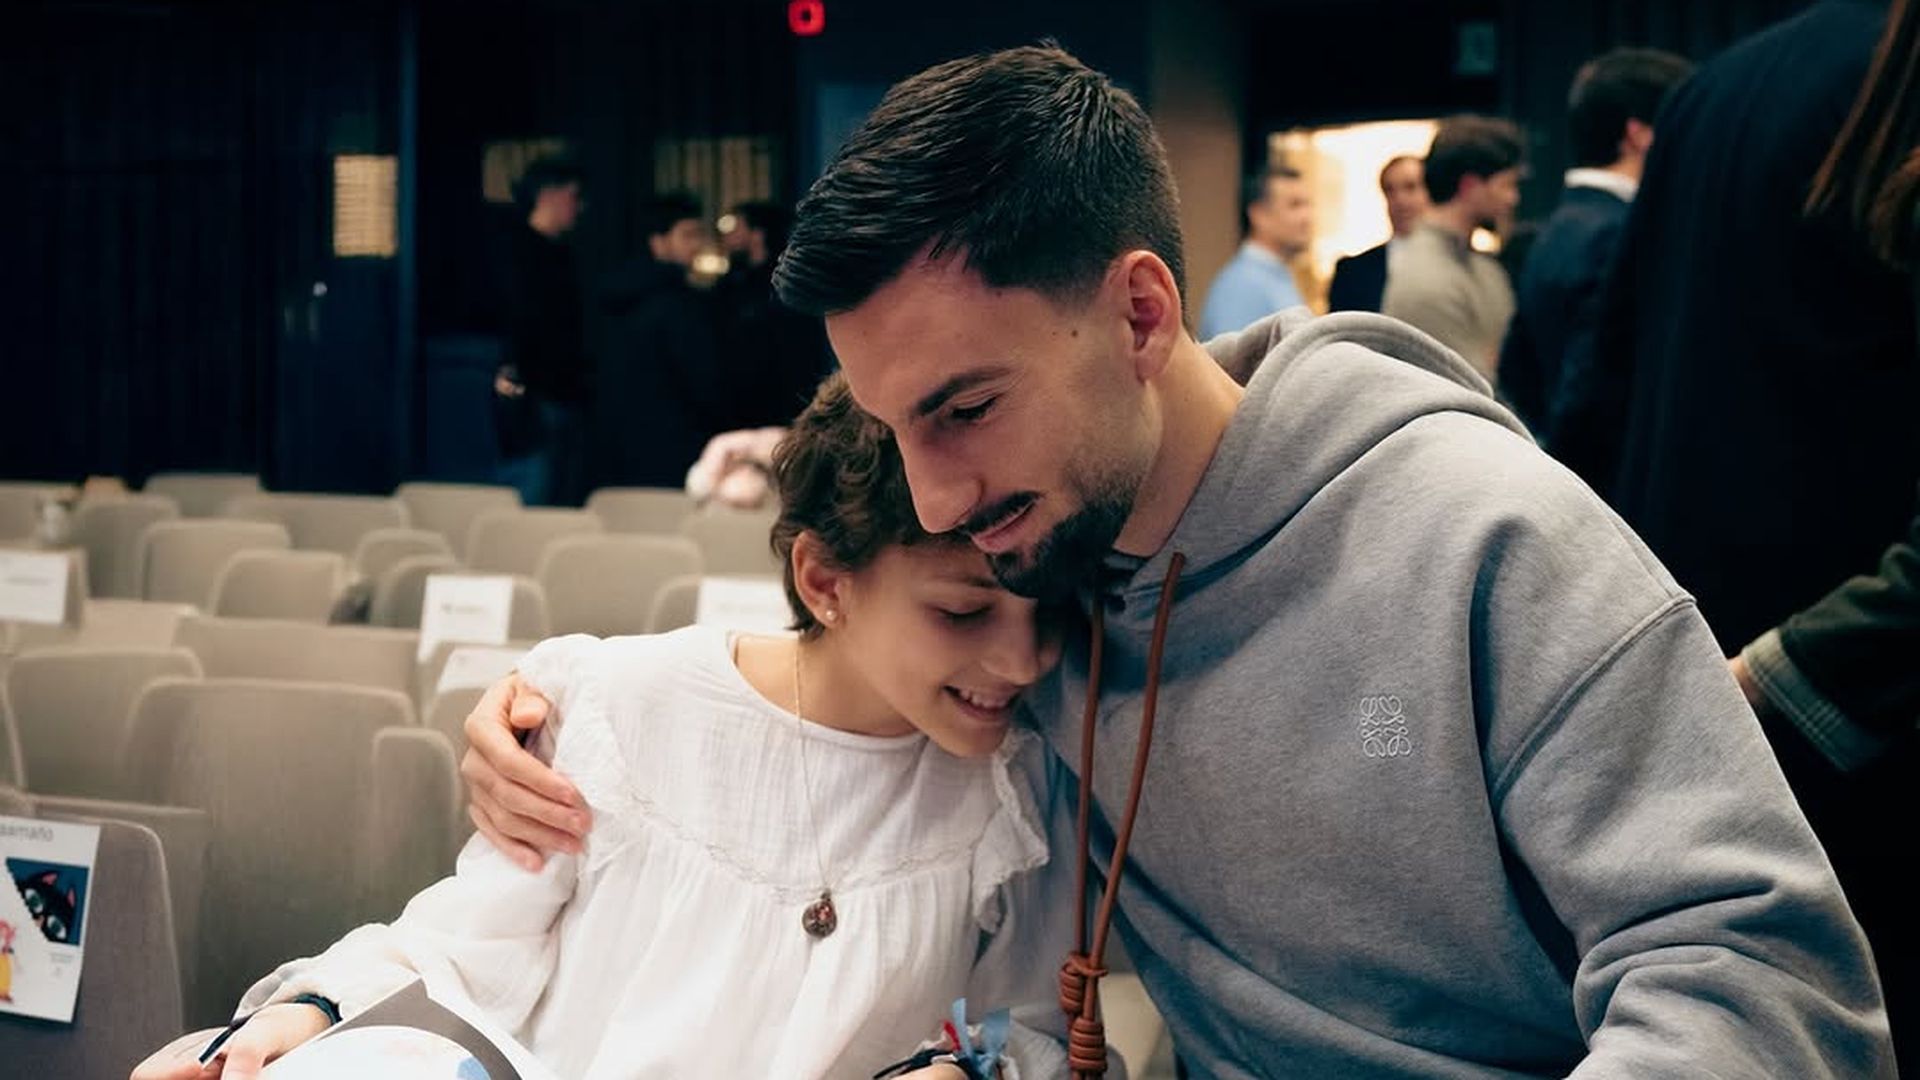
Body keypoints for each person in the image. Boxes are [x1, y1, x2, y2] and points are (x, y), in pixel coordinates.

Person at [462, 44, 1894, 1077]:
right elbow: (841, 743)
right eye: (900, 427)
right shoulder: (1041, 581)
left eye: (964, 409)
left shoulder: (1490, 543)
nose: (936, 494)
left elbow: (1762, 976)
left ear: (1142, 313)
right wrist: (567, 716)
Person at [129, 373, 1074, 1080]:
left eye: (1045, 610)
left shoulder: (1018, 778)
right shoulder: (622, 702)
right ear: (825, 583)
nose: (1023, 661)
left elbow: (1018, 1023)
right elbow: (469, 941)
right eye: (963, 613)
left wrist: (953, 1068)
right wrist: (303, 1014)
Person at [1562, 0, 1920, 1062]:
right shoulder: (1885, 79)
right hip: (1848, 717)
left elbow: (1594, 397)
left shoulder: (1712, 91)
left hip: (1689, 693)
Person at [1498, 48, 1692, 441]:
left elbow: (1518, 369)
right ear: (1639, 135)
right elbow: (1591, 390)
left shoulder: (1557, 227)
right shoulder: (1620, 233)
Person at [593, 193, 724, 489]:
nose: (696, 244)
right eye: (687, 235)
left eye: (698, 235)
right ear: (658, 242)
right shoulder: (679, 303)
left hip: (618, 441)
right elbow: (703, 379)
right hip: (674, 439)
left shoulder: (616, 297)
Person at [1381, 115, 1524, 378]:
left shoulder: (1483, 267)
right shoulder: (1426, 278)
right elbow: (1473, 390)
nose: (1512, 198)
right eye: (1506, 185)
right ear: (1470, 186)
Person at [495, 157, 590, 507]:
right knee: (535, 492)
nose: (579, 207)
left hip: (560, 393)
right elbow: (518, 327)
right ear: (548, 194)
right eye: (573, 195)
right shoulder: (519, 252)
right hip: (534, 398)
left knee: (558, 492)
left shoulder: (560, 254)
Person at [714, 201, 835, 431]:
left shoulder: (787, 285)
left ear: (757, 233)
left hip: (781, 404)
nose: (728, 237)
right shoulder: (731, 285)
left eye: (736, 228)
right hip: (739, 405)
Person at [1196, 166, 1312, 340]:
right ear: (1259, 215)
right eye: (1294, 205)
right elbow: (1232, 364)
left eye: (1308, 204)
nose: (1307, 217)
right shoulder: (1241, 286)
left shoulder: (1276, 276)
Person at [1327, 154, 1429, 313]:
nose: (1400, 200)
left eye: (1410, 187)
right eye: (1390, 191)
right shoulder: (1353, 273)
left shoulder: (1460, 264)